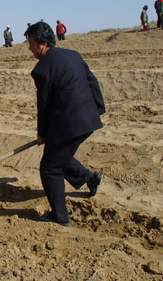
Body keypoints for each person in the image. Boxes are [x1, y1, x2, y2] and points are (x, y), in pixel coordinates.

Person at [24, 21, 104, 226]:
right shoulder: (73, 55)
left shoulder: (41, 70)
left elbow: (44, 105)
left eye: (31, 43)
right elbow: (92, 81)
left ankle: (59, 216)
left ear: (42, 43)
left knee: (50, 168)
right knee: (59, 155)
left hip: (69, 124)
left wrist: (42, 133)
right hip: (88, 118)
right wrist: (98, 109)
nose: (29, 48)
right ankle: (90, 178)